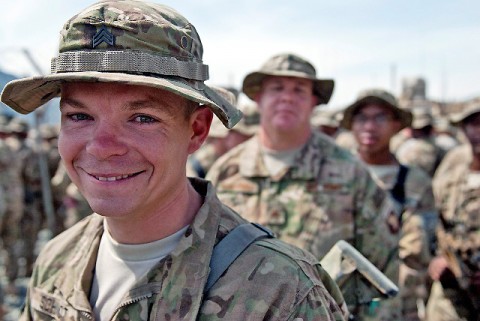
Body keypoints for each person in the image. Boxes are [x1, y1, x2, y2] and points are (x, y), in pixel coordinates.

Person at [1, 1, 348, 320]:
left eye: (142, 118)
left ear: (196, 131)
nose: (102, 147)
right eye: (79, 116)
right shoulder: (57, 260)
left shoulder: (282, 292)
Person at [206, 53, 398, 320]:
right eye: (277, 88)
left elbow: (381, 268)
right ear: (258, 97)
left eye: (299, 90)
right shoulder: (227, 171)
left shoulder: (349, 173)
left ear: (314, 101)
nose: (287, 97)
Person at [341, 89, 437, 321]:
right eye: (362, 118)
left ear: (396, 125)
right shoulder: (334, 176)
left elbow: (415, 254)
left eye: (380, 117)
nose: (370, 126)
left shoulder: (414, 182)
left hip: (391, 302)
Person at [426, 101, 480, 321]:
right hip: (453, 294)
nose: (478, 132)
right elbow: (429, 223)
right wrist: (437, 259)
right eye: (473, 124)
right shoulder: (451, 176)